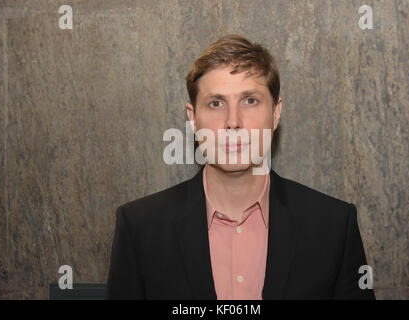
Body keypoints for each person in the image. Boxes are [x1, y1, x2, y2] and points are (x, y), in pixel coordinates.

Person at [106, 34, 375, 300]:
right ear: (193, 118)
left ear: (276, 113)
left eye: (250, 100)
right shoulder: (140, 227)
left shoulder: (334, 226)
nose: (232, 121)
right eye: (215, 103)